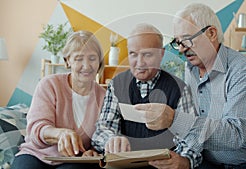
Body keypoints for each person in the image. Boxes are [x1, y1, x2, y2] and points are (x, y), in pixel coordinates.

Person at [148, 3, 246, 169]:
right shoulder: (190, 70)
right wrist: (186, 159)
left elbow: (235, 135)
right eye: (177, 42)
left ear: (211, 33)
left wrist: (175, 119)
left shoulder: (244, 70)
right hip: (210, 163)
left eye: (187, 40)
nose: (181, 49)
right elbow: (193, 126)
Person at [91, 23, 199, 169]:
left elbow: (191, 136)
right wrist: (111, 140)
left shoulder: (179, 88)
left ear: (161, 54)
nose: (139, 62)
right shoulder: (117, 84)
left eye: (147, 54)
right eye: (133, 54)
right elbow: (102, 129)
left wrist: (184, 160)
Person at [11, 30, 106, 169]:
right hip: (37, 154)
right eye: (79, 58)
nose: (86, 65)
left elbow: (102, 135)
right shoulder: (49, 84)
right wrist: (60, 133)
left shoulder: (104, 96)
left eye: (92, 58)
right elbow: (37, 127)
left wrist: (93, 152)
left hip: (74, 160)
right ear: (68, 61)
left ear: (99, 61)